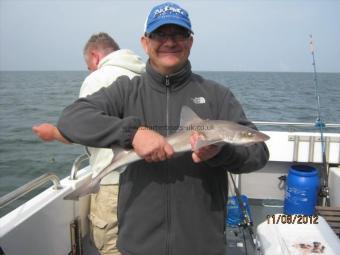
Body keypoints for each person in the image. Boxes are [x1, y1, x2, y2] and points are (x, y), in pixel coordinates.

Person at [56, 2, 269, 255]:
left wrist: (221, 153)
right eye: (160, 34)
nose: (169, 42)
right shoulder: (127, 91)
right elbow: (71, 119)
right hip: (138, 244)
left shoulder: (217, 96)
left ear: (190, 42)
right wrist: (132, 133)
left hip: (202, 245)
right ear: (145, 42)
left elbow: (258, 151)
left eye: (178, 34)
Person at [32, 32, 145, 255]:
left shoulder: (98, 78)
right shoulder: (144, 77)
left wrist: (53, 133)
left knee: (112, 245)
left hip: (113, 179)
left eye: (88, 66)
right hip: (149, 180)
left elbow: (81, 130)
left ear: (95, 56)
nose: (90, 70)